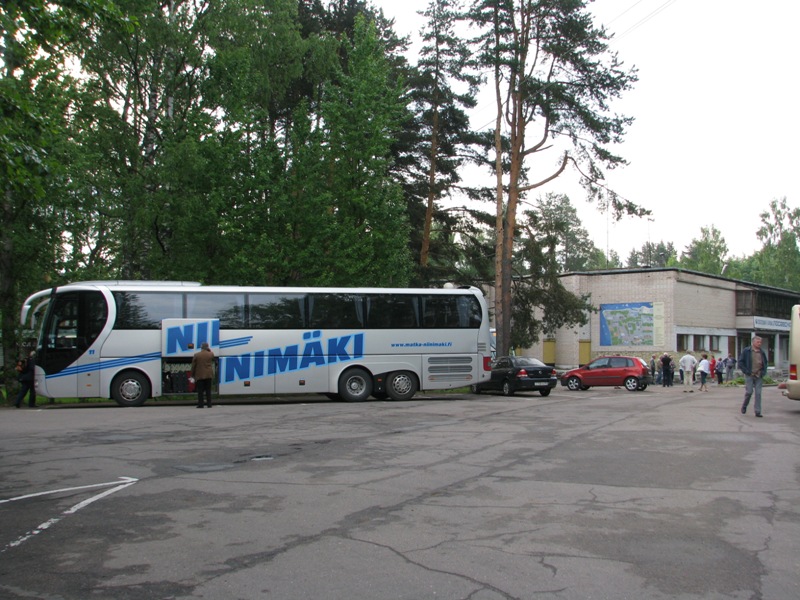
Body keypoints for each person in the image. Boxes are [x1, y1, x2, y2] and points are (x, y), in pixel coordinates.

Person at [738, 336, 768, 417]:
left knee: (758, 393)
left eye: (760, 342)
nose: (759, 344)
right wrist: (746, 371)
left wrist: (763, 372)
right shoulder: (747, 351)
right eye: (758, 342)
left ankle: (757, 411)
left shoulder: (762, 352)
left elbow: (765, 362)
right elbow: (740, 362)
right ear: (753, 342)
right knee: (749, 392)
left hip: (759, 375)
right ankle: (744, 406)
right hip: (749, 375)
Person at [191, 342, 215, 408]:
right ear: (207, 347)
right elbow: (212, 355)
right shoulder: (211, 354)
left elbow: (193, 366)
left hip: (200, 375)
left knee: (200, 391)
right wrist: (208, 350)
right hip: (208, 374)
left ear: (201, 347)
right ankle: (209, 404)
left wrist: (192, 374)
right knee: (208, 390)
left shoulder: (196, 355)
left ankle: (201, 404)